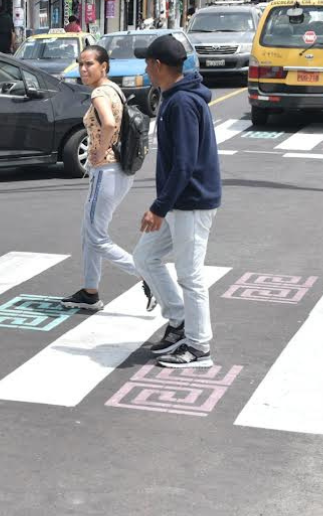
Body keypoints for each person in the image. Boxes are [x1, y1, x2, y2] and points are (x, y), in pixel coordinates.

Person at [133, 34, 222, 369]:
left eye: (147, 62)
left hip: (192, 202)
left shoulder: (182, 103)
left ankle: (199, 348)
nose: (145, 68)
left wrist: (159, 207)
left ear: (158, 65)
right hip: (179, 201)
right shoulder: (175, 96)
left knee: (190, 275)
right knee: (145, 256)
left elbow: (184, 164)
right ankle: (178, 321)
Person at [61, 46, 154, 312]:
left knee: (96, 236)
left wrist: (96, 156)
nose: (83, 69)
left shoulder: (100, 93)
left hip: (106, 171)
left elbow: (110, 123)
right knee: (90, 232)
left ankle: (147, 277)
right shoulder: (113, 89)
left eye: (89, 64)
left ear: (104, 66)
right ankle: (90, 292)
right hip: (119, 172)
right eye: (80, 64)